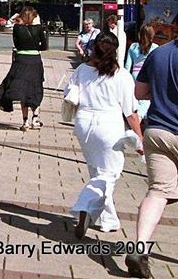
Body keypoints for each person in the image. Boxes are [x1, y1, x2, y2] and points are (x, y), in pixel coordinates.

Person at [69, 32, 144, 239]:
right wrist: (140, 137)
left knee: (97, 171)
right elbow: (130, 112)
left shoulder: (82, 70)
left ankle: (108, 220)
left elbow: (70, 94)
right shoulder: (121, 76)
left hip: (84, 123)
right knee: (109, 174)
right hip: (108, 125)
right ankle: (85, 205)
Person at [128, 34, 178, 278]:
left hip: (158, 131)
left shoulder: (159, 53)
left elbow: (139, 91)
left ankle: (140, 248)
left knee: (158, 191)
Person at [0, 6, 48, 129]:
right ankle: (35, 119)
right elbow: (44, 46)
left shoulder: (17, 28)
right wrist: (34, 46)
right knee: (35, 88)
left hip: (20, 61)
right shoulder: (39, 29)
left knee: (23, 91)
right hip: (35, 61)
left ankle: (25, 122)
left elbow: (16, 44)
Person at [126, 24, 159, 121]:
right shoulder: (155, 47)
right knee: (145, 100)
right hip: (148, 75)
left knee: (136, 98)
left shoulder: (133, 46)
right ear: (152, 35)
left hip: (135, 74)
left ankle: (136, 117)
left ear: (140, 34)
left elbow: (128, 65)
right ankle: (139, 119)